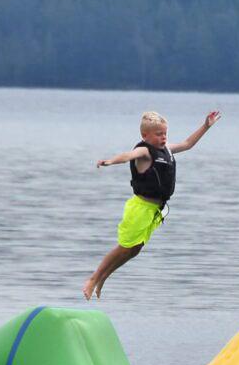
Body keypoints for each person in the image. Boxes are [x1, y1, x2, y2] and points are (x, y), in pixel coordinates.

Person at [83, 108, 220, 299]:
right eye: (158, 134)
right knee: (124, 247)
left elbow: (188, 144)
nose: (163, 137)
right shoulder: (144, 151)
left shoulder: (166, 149)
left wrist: (206, 126)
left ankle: (103, 278)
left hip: (154, 210)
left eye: (165, 133)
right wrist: (110, 161)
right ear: (145, 135)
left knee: (134, 250)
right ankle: (93, 279)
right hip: (139, 209)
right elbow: (127, 156)